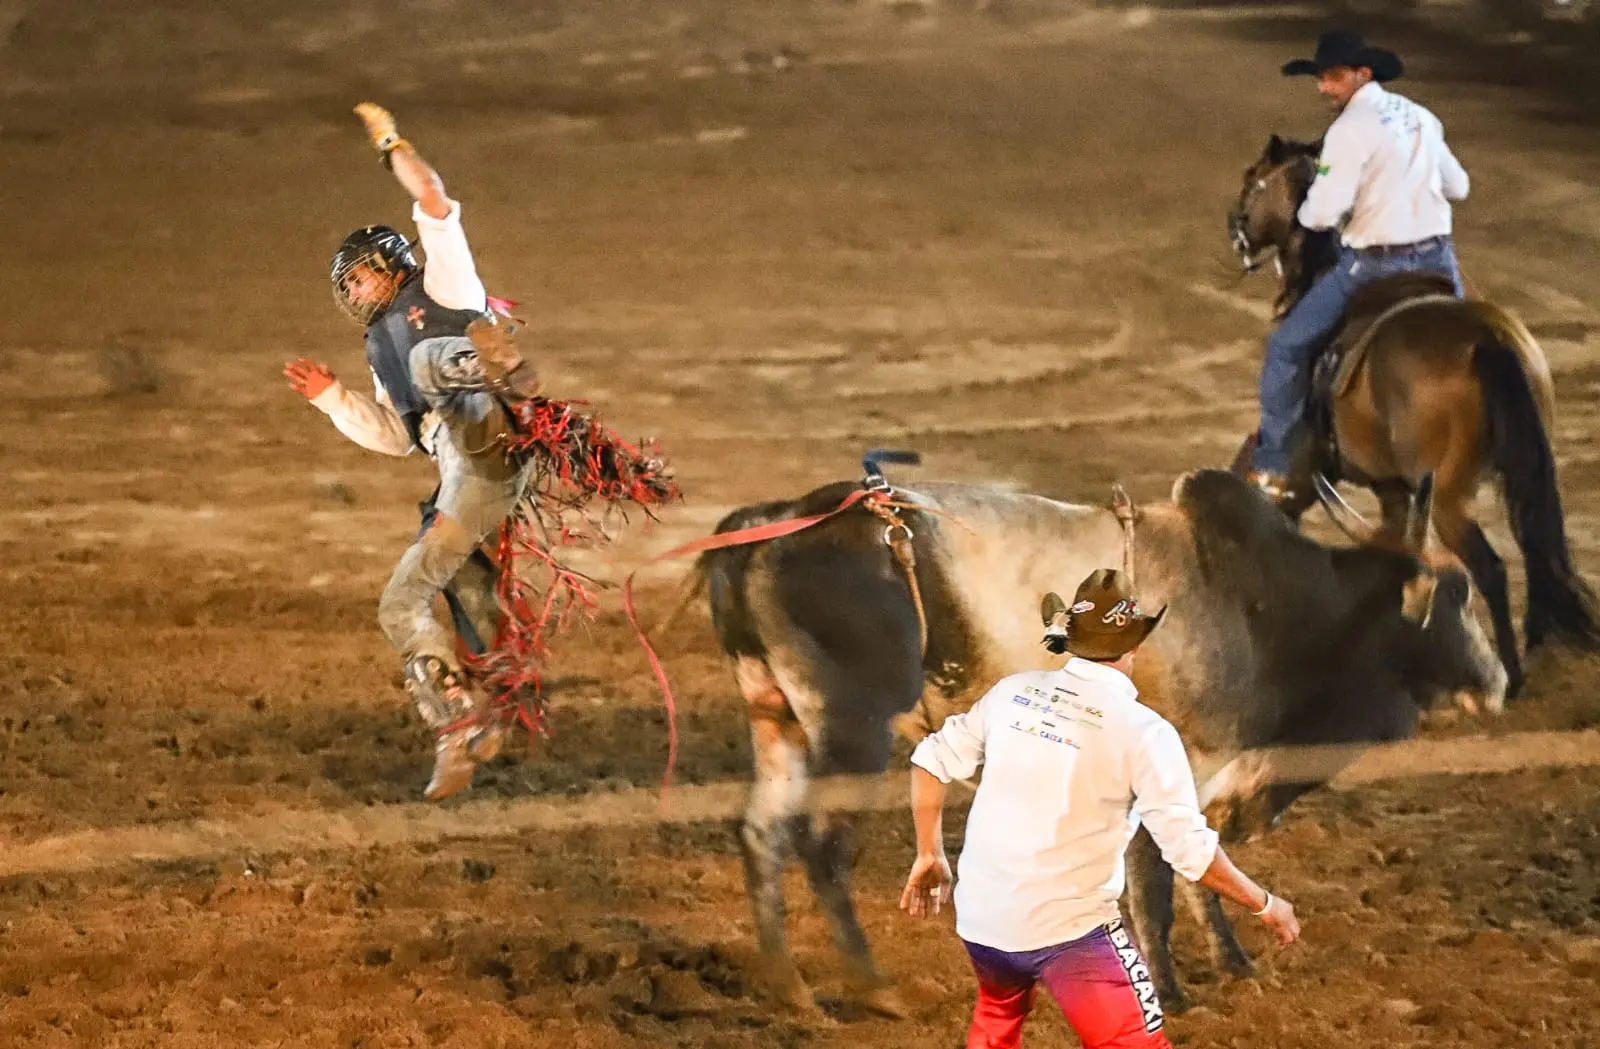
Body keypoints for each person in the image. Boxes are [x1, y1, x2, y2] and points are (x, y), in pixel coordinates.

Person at [899, 568, 1300, 1049]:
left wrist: (929, 853)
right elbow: (1189, 852)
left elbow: (929, 759)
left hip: (983, 918)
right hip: (1068, 931)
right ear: (1134, 648)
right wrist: (1264, 903)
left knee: (997, 1016)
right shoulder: (1145, 733)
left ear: (1070, 639)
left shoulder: (1012, 692)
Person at [284, 103, 529, 802]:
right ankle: (465, 722)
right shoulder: (376, 347)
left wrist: (391, 143)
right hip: (466, 475)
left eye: (358, 278)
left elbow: (433, 197)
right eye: (347, 287)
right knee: (403, 605)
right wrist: (334, 399)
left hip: (488, 426)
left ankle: (495, 360)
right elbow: (398, 437)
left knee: (430, 364)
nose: (353, 293)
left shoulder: (443, 281)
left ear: (388, 264)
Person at [1248, 29, 1471, 503]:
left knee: (1286, 348)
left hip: (1374, 266)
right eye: (1320, 78)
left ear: (1362, 74)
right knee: (1473, 344)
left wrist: (1313, 211)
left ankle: (1273, 466)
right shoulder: (1422, 117)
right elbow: (1459, 187)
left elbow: (1322, 214)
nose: (1323, 88)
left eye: (1332, 77)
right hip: (1438, 259)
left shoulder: (1348, 130)